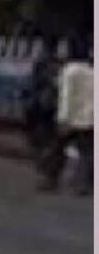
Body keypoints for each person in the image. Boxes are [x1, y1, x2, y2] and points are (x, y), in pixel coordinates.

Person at [46, 38, 93, 196]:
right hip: (88, 118)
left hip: (71, 118)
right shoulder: (91, 71)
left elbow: (65, 97)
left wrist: (62, 119)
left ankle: (51, 179)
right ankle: (83, 184)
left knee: (57, 148)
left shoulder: (70, 71)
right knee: (86, 153)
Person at [26, 39, 64, 185]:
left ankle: (48, 169)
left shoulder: (46, 65)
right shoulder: (52, 65)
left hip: (45, 105)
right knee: (44, 136)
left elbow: (37, 83)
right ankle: (46, 165)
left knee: (46, 137)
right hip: (45, 105)